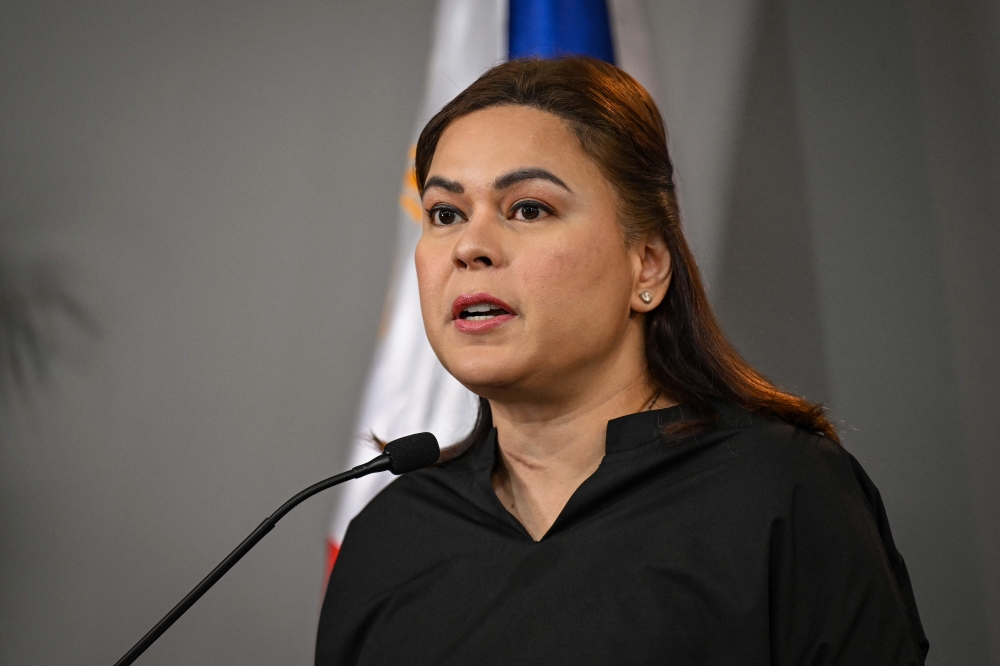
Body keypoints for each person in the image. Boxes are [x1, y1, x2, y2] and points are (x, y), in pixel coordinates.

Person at [316, 57, 928, 665]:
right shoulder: (389, 536)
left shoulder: (781, 490)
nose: (470, 247)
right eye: (445, 214)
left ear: (647, 265)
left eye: (529, 208)